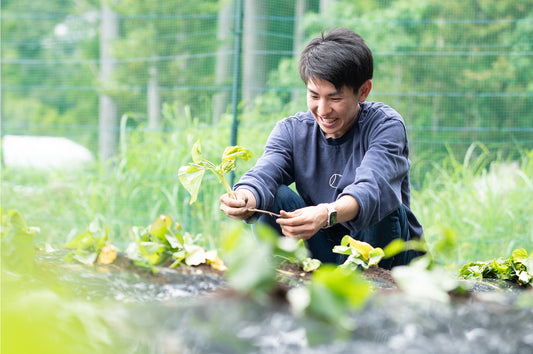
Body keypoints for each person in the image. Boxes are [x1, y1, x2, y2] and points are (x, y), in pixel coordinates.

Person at [219, 28, 424, 269]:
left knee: (384, 205)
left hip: (382, 253)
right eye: (314, 95)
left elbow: (372, 187)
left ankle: (372, 288)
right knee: (273, 195)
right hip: (321, 251)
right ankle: (286, 277)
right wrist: (245, 196)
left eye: (335, 98)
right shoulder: (292, 130)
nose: (323, 110)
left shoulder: (385, 126)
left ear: (363, 91)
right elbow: (265, 171)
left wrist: (326, 214)